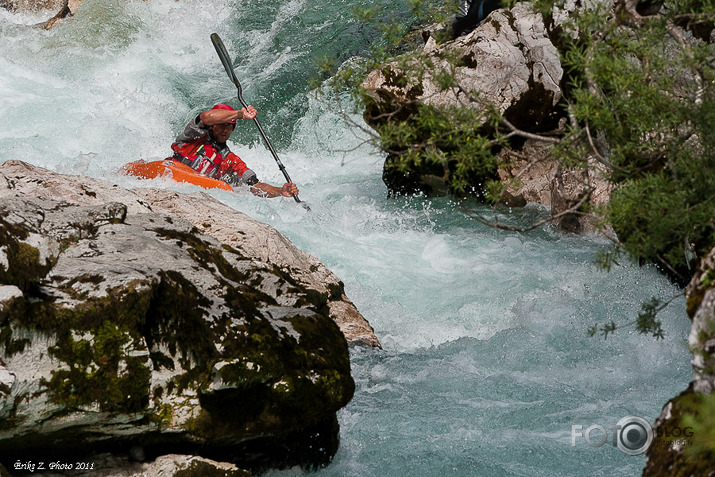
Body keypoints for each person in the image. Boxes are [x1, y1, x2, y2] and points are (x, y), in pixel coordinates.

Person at [169, 103, 299, 198]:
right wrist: (240, 114)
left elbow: (255, 186)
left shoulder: (231, 160)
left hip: (191, 191)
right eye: (221, 125)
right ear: (213, 125)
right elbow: (206, 117)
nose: (224, 130)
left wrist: (280, 191)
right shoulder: (195, 134)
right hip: (172, 174)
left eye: (229, 126)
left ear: (233, 129)